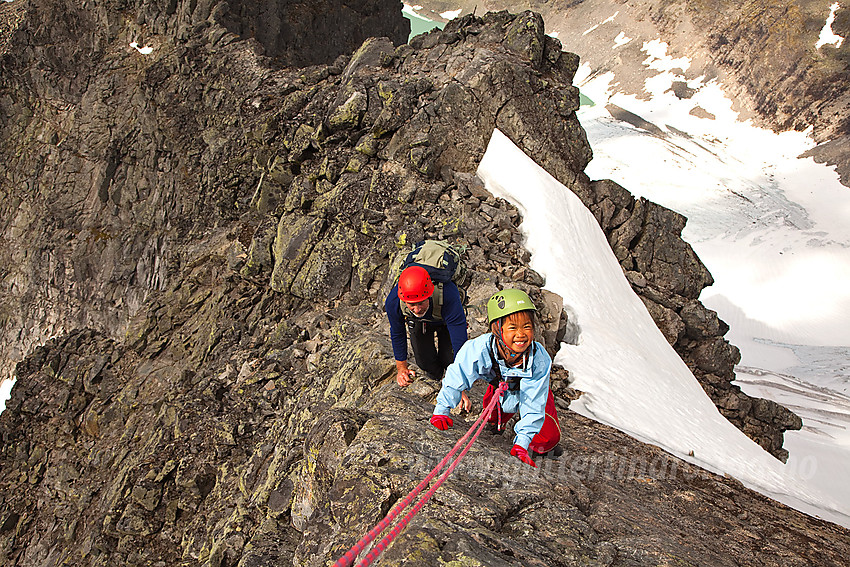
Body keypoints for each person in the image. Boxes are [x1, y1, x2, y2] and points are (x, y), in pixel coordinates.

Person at [429, 289, 561, 467]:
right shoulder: (479, 348)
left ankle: (539, 445)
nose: (521, 334)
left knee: (548, 438)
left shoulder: (539, 359)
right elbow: (458, 375)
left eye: (527, 327)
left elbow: (534, 401)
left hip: (532, 390)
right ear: (497, 329)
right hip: (500, 386)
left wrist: (522, 443)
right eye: (513, 327)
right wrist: (442, 409)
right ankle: (497, 424)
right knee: (491, 419)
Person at [385, 265, 469, 394]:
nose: (417, 309)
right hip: (420, 322)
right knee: (424, 362)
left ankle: (450, 380)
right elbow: (397, 333)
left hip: (446, 321)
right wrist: (402, 369)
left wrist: (461, 387)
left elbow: (459, 340)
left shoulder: (448, 294)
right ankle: (436, 381)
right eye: (411, 304)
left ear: (429, 295)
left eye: (421, 302)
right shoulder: (394, 301)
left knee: (449, 359)